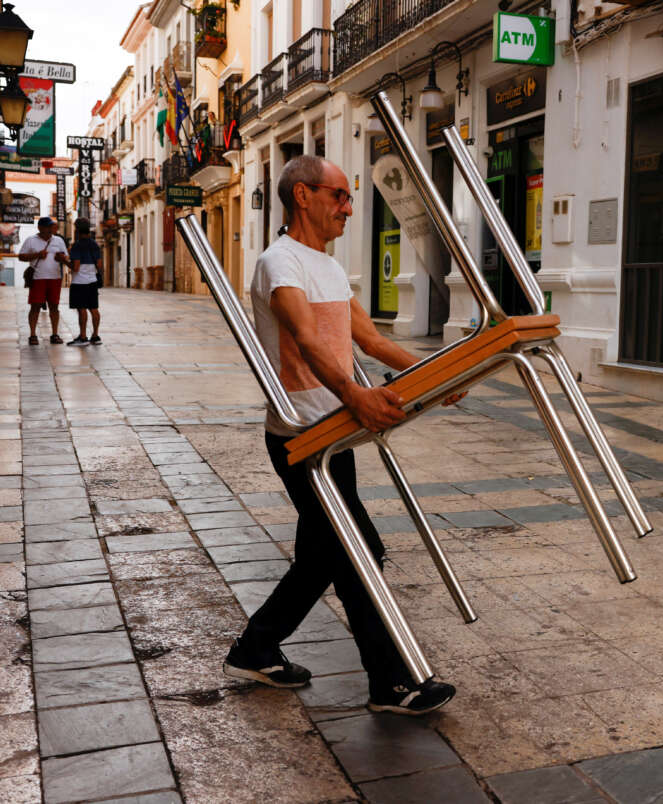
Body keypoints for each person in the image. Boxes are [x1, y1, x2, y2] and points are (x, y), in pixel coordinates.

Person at [222, 155, 458, 716]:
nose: (349, 208)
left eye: (349, 198)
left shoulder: (326, 266)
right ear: (302, 196)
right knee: (358, 551)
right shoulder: (280, 264)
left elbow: (371, 341)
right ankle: (390, 685)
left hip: (336, 435)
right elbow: (305, 341)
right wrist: (358, 395)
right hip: (302, 438)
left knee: (323, 556)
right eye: (339, 196)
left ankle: (256, 647)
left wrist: (437, 373)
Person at [17, 217, 70, 344]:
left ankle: (55, 334)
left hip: (55, 278)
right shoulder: (31, 240)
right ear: (40, 228)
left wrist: (62, 258)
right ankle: (33, 335)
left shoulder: (58, 240)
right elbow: (21, 256)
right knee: (35, 307)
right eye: (48, 227)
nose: (51, 229)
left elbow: (66, 256)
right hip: (37, 278)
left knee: (54, 307)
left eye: (51, 227)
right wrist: (37, 255)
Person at [67, 218, 103, 345]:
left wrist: (64, 260)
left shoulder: (77, 246)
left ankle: (83, 337)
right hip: (92, 280)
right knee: (94, 308)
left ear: (77, 230)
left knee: (82, 309)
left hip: (79, 282)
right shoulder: (95, 244)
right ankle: (95, 335)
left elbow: (75, 267)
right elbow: (99, 265)